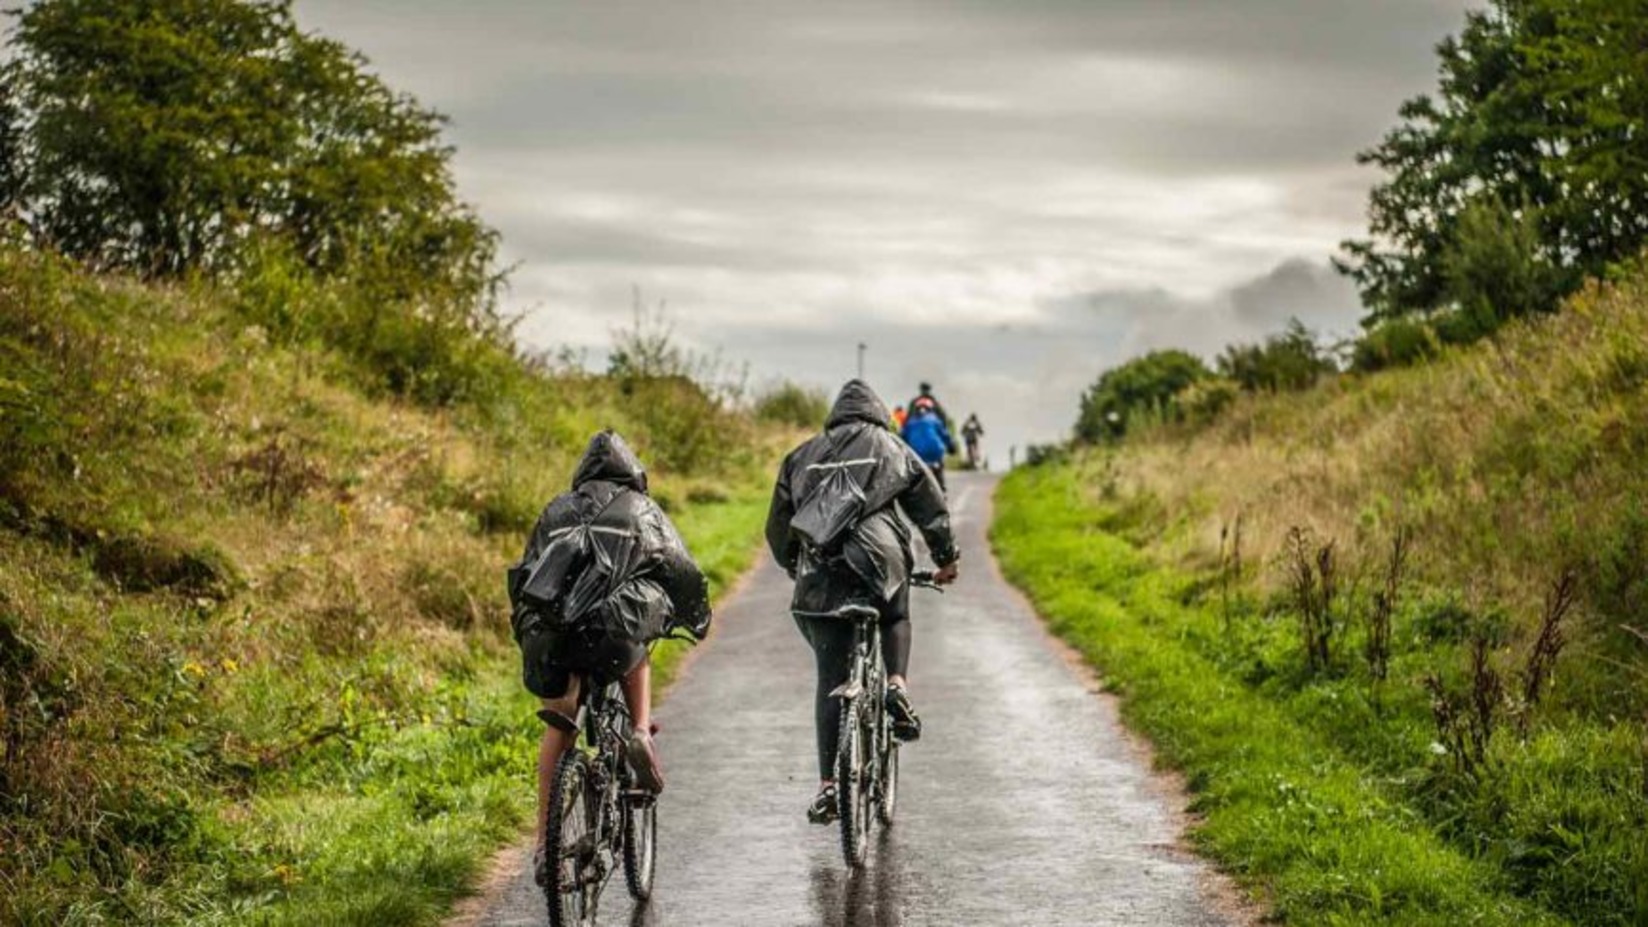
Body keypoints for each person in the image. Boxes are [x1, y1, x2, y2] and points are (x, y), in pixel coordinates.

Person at [506, 431, 710, 886]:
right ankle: (639, 732)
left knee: (560, 720)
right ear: (632, 473)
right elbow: (681, 568)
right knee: (637, 648)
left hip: (556, 638)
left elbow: (524, 577)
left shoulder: (556, 509)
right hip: (614, 637)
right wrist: (695, 618)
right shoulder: (641, 509)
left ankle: (545, 846)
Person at [765, 380, 959, 824]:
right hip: (880, 566)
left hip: (819, 579)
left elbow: (778, 528)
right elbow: (931, 508)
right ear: (877, 413)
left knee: (830, 678)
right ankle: (895, 684)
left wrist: (794, 564)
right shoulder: (891, 448)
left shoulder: (801, 455)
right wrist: (946, 560)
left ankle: (828, 787)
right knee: (896, 614)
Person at [901, 397, 957, 491]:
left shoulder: (910, 423)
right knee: (939, 466)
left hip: (917, 454)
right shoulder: (934, 420)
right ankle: (941, 486)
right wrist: (952, 447)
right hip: (935, 453)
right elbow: (945, 435)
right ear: (930, 409)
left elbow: (903, 438)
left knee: (914, 474)